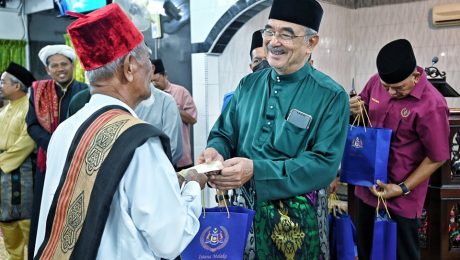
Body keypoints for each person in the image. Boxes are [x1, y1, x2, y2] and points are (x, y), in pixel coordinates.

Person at [34, 3, 207, 259]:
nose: (151, 68)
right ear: (129, 67)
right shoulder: (137, 140)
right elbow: (170, 240)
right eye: (147, 58)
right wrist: (192, 186)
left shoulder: (65, 130)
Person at [199, 0, 350, 259]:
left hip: (299, 223)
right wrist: (215, 151)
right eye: (269, 31)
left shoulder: (331, 95)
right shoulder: (248, 85)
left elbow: (324, 165)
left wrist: (256, 170)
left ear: (311, 43)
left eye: (286, 34)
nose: (274, 41)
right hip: (244, 213)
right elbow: (224, 133)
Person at [349, 39, 449, 260]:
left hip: (401, 198)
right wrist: (352, 108)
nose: (391, 93)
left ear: (415, 76)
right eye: (387, 88)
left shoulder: (432, 103)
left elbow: (437, 156)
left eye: (399, 88)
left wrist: (402, 188)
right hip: (367, 189)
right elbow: (360, 115)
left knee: (402, 254)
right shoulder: (376, 82)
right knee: (365, 251)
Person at [26, 44, 88, 259]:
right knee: (45, 210)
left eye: (64, 64)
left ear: (72, 66)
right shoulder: (38, 92)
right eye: (55, 66)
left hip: (76, 160)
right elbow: (31, 125)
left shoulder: (85, 91)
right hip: (47, 160)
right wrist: (53, 144)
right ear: (48, 70)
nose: (60, 69)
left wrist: (68, 147)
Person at [67, 59, 184, 166]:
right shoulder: (81, 103)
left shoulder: (165, 101)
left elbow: (173, 149)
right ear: (128, 68)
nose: (150, 67)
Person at [0, 62, 36, 260]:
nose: (0, 85)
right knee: (7, 222)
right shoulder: (4, 110)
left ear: (17, 86)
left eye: (3, 81)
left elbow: (28, 141)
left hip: (22, 173)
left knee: (26, 223)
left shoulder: (30, 108)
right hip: (2, 174)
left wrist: (2, 161)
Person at [151, 59, 197, 171]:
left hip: (182, 159)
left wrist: (172, 108)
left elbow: (193, 119)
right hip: (160, 158)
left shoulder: (181, 92)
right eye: (151, 81)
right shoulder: (149, 96)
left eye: (156, 80)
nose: (154, 84)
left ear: (165, 75)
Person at [221, 30, 269, 112]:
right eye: (257, 61)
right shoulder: (233, 99)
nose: (263, 64)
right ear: (251, 66)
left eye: (268, 59)